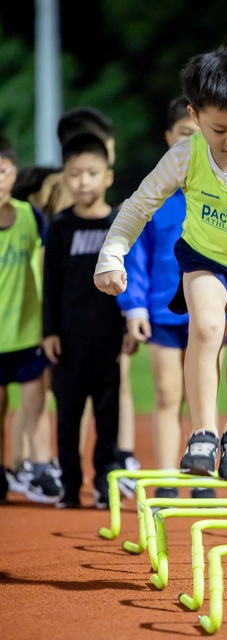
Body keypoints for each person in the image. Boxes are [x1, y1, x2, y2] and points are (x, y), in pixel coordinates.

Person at [94, 46, 227, 482]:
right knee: (207, 326)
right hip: (203, 258)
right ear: (194, 115)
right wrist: (111, 255)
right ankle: (203, 432)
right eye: (218, 129)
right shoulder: (184, 155)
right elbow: (138, 206)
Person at [117, 95, 216, 501]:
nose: (191, 142)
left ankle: (202, 478)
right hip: (161, 313)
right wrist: (134, 307)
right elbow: (136, 257)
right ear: (169, 137)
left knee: (203, 397)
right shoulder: (154, 196)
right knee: (166, 394)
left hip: (209, 313)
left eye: (199, 135)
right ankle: (166, 479)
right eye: (183, 134)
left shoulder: (219, 194)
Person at [43, 133, 133, 509]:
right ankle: (69, 484)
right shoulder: (60, 226)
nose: (83, 181)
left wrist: (129, 324)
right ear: (65, 177)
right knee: (68, 415)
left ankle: (104, 482)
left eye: (92, 173)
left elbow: (131, 279)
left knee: (107, 415)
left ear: (107, 177)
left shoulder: (120, 224)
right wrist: (49, 330)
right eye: (75, 173)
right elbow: (50, 282)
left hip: (109, 336)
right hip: (68, 338)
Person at [0, 136, 62, 503]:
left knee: (36, 404)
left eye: (3, 171)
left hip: (26, 331)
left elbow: (49, 264)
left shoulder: (31, 217)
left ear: (14, 173)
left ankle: (40, 469)